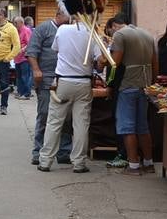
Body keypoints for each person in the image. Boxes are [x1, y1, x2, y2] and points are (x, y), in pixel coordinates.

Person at [37, 13, 105, 173]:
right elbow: (100, 61)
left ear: (73, 16)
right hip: (83, 82)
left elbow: (56, 48)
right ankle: (79, 163)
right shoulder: (92, 33)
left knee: (54, 122)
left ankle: (45, 161)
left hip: (64, 81)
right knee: (81, 124)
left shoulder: (62, 30)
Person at [109, 10, 158, 174]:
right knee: (143, 127)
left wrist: (103, 60)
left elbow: (115, 63)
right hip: (144, 86)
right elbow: (155, 63)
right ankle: (149, 163)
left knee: (127, 127)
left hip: (127, 85)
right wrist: (151, 83)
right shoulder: (147, 35)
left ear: (115, 25)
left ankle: (133, 165)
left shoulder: (120, 35)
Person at [27, 9, 73, 165]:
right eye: (66, 19)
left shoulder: (69, 30)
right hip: (46, 77)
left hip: (65, 79)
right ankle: (38, 150)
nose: (68, 22)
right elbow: (31, 51)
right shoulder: (43, 28)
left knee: (66, 117)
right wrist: (36, 69)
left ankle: (64, 151)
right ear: (58, 15)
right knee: (45, 114)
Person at [14, 16, 34, 99]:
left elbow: (29, 43)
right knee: (19, 76)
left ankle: (26, 93)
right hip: (17, 58)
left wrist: (22, 50)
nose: (15, 24)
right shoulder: (16, 31)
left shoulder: (26, 30)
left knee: (25, 76)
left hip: (24, 58)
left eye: (16, 23)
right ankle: (20, 92)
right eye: (14, 23)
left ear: (21, 23)